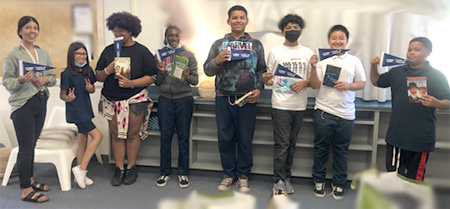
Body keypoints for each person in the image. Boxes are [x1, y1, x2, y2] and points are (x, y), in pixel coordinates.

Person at [204, 5, 266, 193]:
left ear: (247, 21)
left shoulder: (256, 45)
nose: (238, 20)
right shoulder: (218, 44)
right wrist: (217, 60)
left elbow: (262, 70)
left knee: (245, 139)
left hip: (247, 99)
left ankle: (244, 175)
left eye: (242, 17)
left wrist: (259, 88)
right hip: (224, 98)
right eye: (234, 17)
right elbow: (207, 70)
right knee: (225, 138)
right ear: (228, 21)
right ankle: (228, 174)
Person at [370, 37, 450, 182]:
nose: (411, 53)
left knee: (414, 178)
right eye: (409, 49)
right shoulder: (397, 72)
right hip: (397, 135)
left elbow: (448, 102)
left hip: (421, 138)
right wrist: (373, 66)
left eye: (417, 50)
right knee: (393, 175)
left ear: (428, 53)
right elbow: (376, 82)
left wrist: (436, 102)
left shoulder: (437, 76)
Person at [95, 12, 157, 186]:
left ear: (131, 30)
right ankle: (119, 167)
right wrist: (109, 69)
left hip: (135, 99)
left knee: (132, 135)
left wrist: (131, 83)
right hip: (111, 99)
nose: (117, 34)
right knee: (116, 135)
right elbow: (98, 77)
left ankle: (131, 167)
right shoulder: (108, 51)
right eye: (114, 31)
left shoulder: (142, 51)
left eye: (121, 30)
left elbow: (153, 77)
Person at [2, 16, 56, 203]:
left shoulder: (43, 53)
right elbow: (6, 82)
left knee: (32, 145)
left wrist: (45, 80)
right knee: (25, 148)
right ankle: (25, 189)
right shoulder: (13, 55)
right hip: (22, 106)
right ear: (20, 31)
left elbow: (53, 77)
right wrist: (20, 80)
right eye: (27, 27)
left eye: (35, 27)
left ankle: (30, 179)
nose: (32, 30)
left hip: (40, 102)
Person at [309, 25, 366, 200]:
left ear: (347, 41)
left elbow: (362, 83)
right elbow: (314, 85)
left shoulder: (354, 60)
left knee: (341, 150)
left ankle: (339, 183)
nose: (337, 41)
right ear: (328, 41)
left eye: (341, 38)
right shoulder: (322, 60)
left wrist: (348, 86)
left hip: (346, 113)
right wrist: (312, 66)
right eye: (334, 38)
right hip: (324, 111)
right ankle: (318, 181)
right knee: (321, 148)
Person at [262, 14, 313, 194]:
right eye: (289, 28)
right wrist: (266, 79)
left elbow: (313, 81)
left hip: (299, 105)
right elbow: (269, 81)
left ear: (301, 30)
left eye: (296, 27)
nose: (292, 30)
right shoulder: (275, 51)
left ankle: (287, 177)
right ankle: (278, 180)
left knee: (292, 144)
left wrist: (305, 83)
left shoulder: (308, 52)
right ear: (283, 31)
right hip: (280, 105)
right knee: (281, 144)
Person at [154, 26, 198, 188]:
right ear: (165, 38)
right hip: (165, 100)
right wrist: (159, 72)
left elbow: (195, 81)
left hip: (184, 100)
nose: (173, 38)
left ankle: (183, 173)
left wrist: (187, 76)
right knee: (165, 137)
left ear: (180, 37)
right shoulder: (159, 55)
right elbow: (157, 82)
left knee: (183, 137)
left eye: (176, 35)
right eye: (170, 35)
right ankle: (164, 172)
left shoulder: (189, 56)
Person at [59, 42, 103, 189]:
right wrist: (68, 98)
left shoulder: (87, 70)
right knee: (98, 136)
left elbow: (91, 90)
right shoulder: (66, 73)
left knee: (82, 139)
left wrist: (91, 89)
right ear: (72, 55)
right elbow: (62, 95)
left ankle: (80, 172)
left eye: (83, 54)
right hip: (76, 110)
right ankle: (81, 169)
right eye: (78, 54)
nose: (81, 56)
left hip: (85, 108)